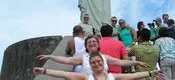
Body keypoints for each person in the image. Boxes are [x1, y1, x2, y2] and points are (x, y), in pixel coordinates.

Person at [36, 35, 149, 75]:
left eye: (94, 41)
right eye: (89, 42)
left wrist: (136, 62)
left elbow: (121, 62)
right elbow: (67, 61)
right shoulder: (82, 58)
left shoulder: (105, 57)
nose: (92, 43)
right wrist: (51, 57)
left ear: (98, 44)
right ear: (86, 46)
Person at [33, 52, 164, 80]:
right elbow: (65, 74)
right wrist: (44, 70)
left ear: (104, 62)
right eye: (93, 62)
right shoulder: (86, 77)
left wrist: (151, 73)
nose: (96, 64)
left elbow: (132, 75)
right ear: (89, 64)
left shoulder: (112, 76)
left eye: (99, 61)